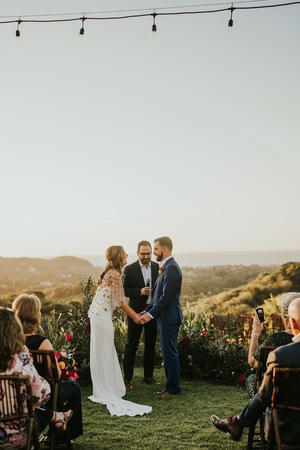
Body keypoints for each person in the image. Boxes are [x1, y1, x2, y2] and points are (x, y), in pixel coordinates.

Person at [210, 296, 300, 445]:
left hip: (289, 431)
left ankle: (237, 423)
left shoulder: (280, 355)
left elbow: (263, 393)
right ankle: (236, 423)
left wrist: (255, 332)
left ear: (292, 322)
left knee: (265, 390)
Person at [88, 245, 152, 416]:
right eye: (124, 253)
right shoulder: (115, 274)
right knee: (105, 351)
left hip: (99, 316)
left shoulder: (109, 272)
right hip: (102, 317)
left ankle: (104, 387)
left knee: (103, 352)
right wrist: (136, 317)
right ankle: (106, 389)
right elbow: (121, 302)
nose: (126, 255)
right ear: (118, 256)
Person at [12, 293, 83, 441]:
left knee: (62, 388)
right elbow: (55, 374)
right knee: (74, 387)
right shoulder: (42, 342)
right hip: (44, 391)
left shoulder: (12, 341)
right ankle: (64, 434)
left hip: (21, 390)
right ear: (35, 316)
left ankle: (56, 424)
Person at [0, 307, 72, 448]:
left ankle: (56, 417)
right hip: (15, 437)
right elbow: (40, 397)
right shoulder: (21, 362)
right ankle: (57, 418)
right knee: (31, 408)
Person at [139, 236, 183, 397]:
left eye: (156, 249)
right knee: (167, 353)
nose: (154, 252)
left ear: (164, 249)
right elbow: (158, 297)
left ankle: (173, 389)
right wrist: (147, 309)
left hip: (170, 318)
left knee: (170, 354)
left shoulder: (171, 268)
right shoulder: (165, 267)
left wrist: (150, 315)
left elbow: (166, 298)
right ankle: (170, 386)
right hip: (164, 318)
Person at [246, 292, 300, 398]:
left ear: (287, 318)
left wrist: (255, 332)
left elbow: (253, 362)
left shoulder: (275, 339)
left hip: (276, 393)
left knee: (251, 377)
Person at [123, 240, 159, 389]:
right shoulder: (129, 269)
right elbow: (123, 291)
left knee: (150, 345)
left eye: (148, 253)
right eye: (143, 253)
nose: (146, 256)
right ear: (137, 253)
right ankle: (128, 379)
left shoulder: (158, 267)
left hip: (152, 312)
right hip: (135, 312)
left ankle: (148, 376)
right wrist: (139, 291)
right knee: (132, 345)